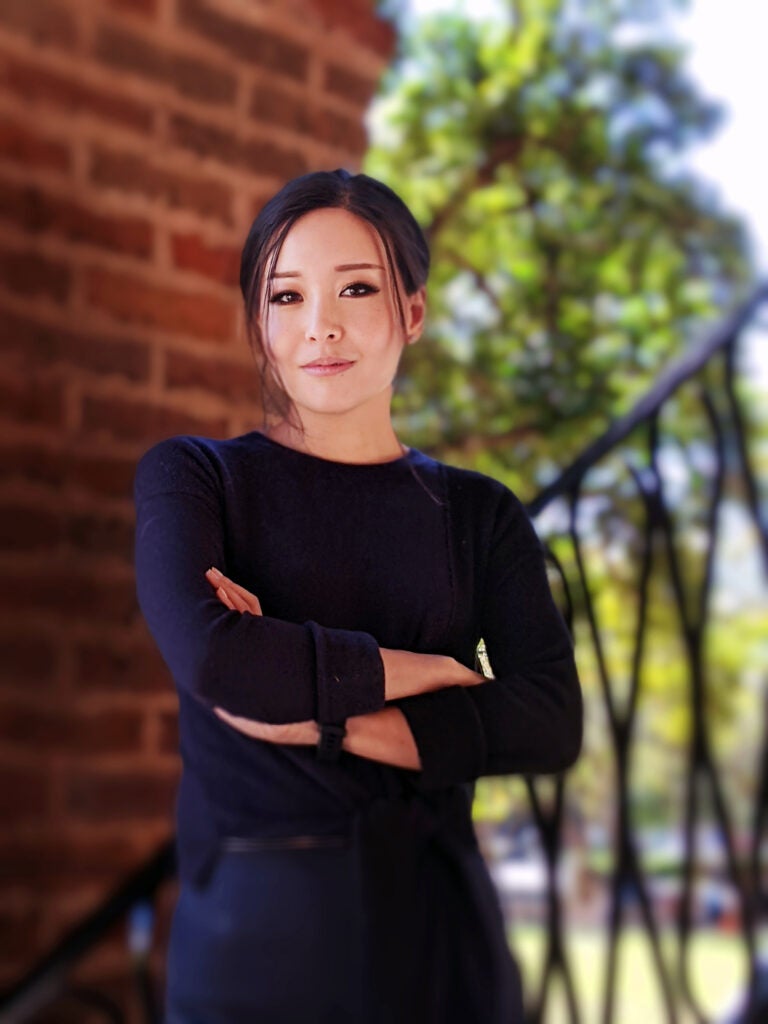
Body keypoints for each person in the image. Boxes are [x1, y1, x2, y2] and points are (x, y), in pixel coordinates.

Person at [134, 168, 582, 1024]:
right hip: (259, 941)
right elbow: (217, 658)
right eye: (287, 296)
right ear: (259, 324)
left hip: (442, 937)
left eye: (356, 287)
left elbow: (549, 718)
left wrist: (325, 713)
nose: (321, 326)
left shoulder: (477, 513)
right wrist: (429, 671)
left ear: (412, 311)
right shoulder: (194, 481)